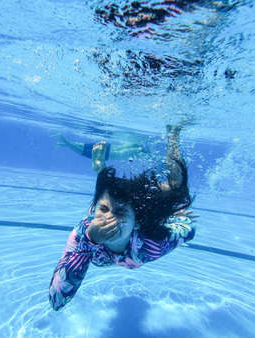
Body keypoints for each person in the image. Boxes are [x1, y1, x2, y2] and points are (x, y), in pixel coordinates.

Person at [49, 125, 199, 311]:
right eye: (103, 209)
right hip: (104, 234)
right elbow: (56, 300)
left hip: (140, 228)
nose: (107, 218)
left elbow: (189, 229)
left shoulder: (150, 245)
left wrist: (175, 216)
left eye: (120, 213)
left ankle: (173, 136)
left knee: (176, 190)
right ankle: (100, 170)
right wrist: (89, 242)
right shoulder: (84, 232)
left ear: (136, 222)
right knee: (110, 196)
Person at [56, 135, 150, 172]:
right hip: (106, 153)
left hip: (108, 148)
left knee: (84, 147)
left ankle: (65, 143)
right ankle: (66, 142)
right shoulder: (134, 152)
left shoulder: (132, 148)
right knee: (83, 150)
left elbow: (135, 147)